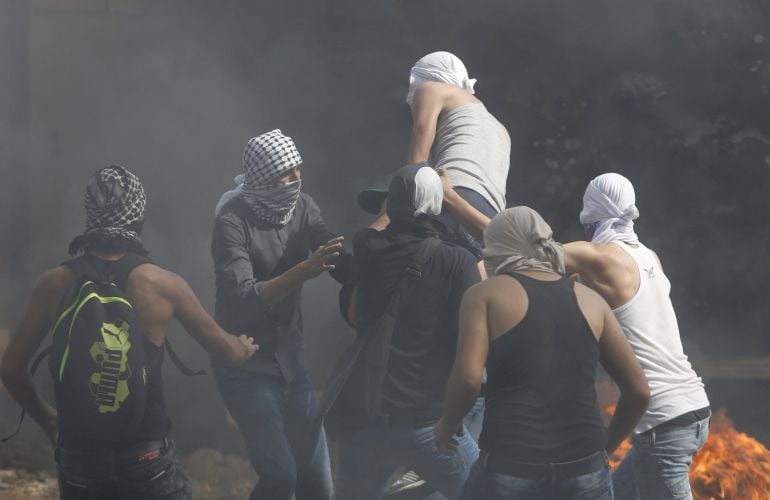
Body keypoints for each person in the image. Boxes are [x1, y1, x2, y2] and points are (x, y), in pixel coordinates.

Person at [0, 165, 258, 500]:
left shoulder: (54, 284)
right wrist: (243, 345)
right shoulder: (162, 283)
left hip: (79, 463)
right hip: (147, 461)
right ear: (139, 215)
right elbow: (227, 352)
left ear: (90, 213)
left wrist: (49, 420)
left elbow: (10, 368)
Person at [435, 206, 650, 500]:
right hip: (584, 470)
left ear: (498, 246)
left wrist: (446, 425)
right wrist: (603, 451)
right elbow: (638, 391)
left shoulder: (484, 294)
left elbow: (468, 381)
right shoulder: (592, 301)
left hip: (511, 468)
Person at [211, 129, 354, 500]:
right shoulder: (231, 221)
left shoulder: (303, 206)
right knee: (280, 478)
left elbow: (334, 254)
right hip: (246, 369)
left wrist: (381, 254)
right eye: (284, 175)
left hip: (292, 366)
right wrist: (304, 271)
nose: (294, 182)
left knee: (319, 487)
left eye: (297, 172)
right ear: (261, 179)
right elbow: (244, 298)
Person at [334, 163, 481, 500]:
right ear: (435, 203)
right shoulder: (457, 261)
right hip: (425, 423)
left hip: (365, 418)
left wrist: (399, 199)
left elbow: (376, 229)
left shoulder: (368, 246)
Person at [564, 173, 711, 500]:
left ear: (592, 209)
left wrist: (452, 197)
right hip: (693, 409)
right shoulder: (649, 257)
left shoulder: (599, 256)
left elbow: (521, 248)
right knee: (614, 492)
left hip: (664, 423)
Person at [406, 51, 510, 242]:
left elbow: (416, 168)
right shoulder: (501, 128)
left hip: (451, 195)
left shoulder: (431, 89)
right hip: (489, 220)